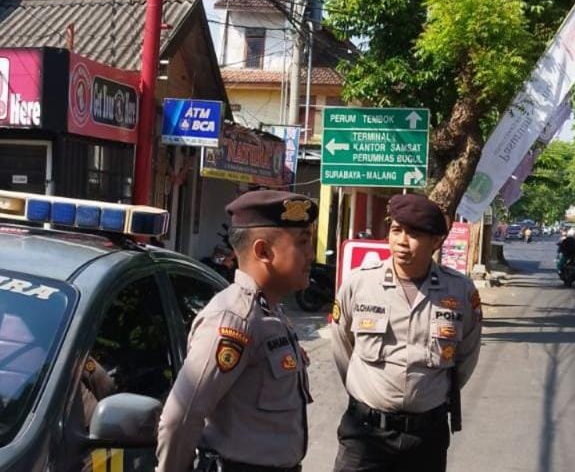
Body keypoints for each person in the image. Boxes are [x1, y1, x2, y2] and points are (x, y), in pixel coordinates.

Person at [157, 190, 316, 472]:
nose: (311, 255)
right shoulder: (234, 319)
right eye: (302, 242)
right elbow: (181, 417)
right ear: (263, 251)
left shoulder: (269, 312)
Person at [331, 193, 483, 472]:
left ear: (436, 241)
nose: (402, 241)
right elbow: (343, 347)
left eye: (414, 234)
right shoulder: (360, 283)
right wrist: (368, 392)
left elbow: (466, 357)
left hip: (426, 437)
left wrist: (425, 394)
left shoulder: (460, 291)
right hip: (365, 434)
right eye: (396, 230)